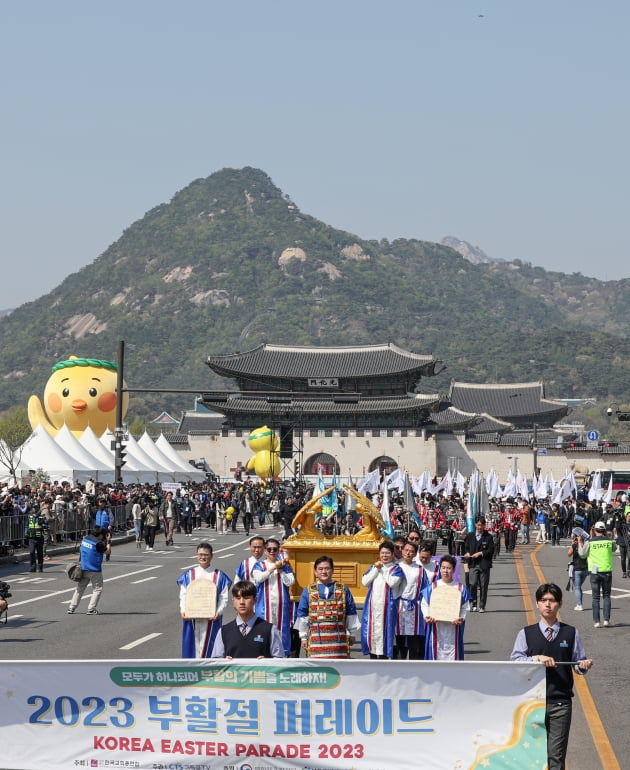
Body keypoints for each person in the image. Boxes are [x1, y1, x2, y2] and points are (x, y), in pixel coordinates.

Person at [510, 583, 592, 770]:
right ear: (537, 604)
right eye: (543, 600)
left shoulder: (570, 633)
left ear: (560, 604)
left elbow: (578, 664)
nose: (548, 604)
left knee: (556, 756)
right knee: (531, 756)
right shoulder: (525, 633)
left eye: (552, 600)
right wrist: (536, 659)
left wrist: (584, 665)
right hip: (530, 703)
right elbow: (515, 661)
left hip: (560, 703)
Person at [294, 555, 360, 658]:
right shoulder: (308, 590)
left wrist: (352, 633)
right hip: (316, 639)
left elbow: (351, 611)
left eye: (327, 568)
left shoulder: (343, 589)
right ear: (315, 572)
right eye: (320, 569)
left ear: (332, 570)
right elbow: (302, 614)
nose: (324, 571)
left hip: (339, 640)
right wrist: (303, 637)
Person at [177, 542, 232, 658]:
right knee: (192, 645)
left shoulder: (219, 576)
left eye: (206, 555)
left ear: (211, 556)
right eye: (200, 554)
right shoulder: (189, 575)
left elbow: (223, 597)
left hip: (211, 618)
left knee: (211, 645)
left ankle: (209, 670)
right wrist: (183, 610)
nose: (203, 557)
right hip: (192, 617)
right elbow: (183, 595)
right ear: (197, 555)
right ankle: (192, 672)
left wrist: (219, 612)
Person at [211, 580, 285, 659]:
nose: (242, 602)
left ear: (255, 600)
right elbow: (215, 664)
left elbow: (280, 661)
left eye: (246, 598)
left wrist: (267, 662)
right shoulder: (223, 631)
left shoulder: (269, 629)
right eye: (238, 598)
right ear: (233, 601)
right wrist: (223, 662)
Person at [421, 554, 472, 660]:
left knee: (453, 654)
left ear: (453, 570)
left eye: (448, 568)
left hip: (453, 627)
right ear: (440, 569)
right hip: (435, 626)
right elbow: (424, 604)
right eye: (443, 568)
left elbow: (465, 607)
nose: (445, 571)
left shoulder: (460, 588)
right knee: (435, 652)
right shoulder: (432, 587)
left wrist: (461, 618)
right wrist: (427, 616)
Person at [361, 541, 406, 659]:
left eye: (387, 553)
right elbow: (365, 582)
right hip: (373, 606)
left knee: (385, 633)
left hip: (388, 607)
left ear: (392, 555)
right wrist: (376, 569)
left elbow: (392, 583)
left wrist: (382, 570)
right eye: (382, 553)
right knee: (372, 633)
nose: (384, 556)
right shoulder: (374, 567)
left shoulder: (396, 569)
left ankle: (384, 658)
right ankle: (372, 656)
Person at [251, 538, 296, 656]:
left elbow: (290, 582)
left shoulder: (285, 566)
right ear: (265, 551)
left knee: (282, 629)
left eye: (274, 549)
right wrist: (272, 569)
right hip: (264, 605)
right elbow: (259, 578)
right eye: (269, 549)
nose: (272, 551)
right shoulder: (259, 565)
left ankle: (283, 654)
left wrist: (281, 571)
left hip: (281, 604)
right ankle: (263, 653)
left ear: (278, 551)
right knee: (264, 630)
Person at [578, 520, 617, 627]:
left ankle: (596, 621)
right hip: (607, 571)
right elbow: (614, 548)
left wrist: (580, 542)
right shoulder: (609, 541)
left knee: (595, 597)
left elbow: (582, 554)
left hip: (595, 572)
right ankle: (606, 620)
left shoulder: (590, 542)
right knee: (606, 596)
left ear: (594, 530)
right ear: (604, 530)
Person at [395, 540, 429, 659]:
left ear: (415, 554)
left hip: (415, 607)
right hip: (398, 607)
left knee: (414, 642)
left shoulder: (420, 569)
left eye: (412, 551)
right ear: (402, 551)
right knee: (399, 641)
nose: (408, 553)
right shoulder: (396, 566)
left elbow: (425, 589)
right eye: (406, 550)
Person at [67, 526, 110, 615]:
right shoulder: (98, 543)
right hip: (94, 569)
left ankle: (71, 607)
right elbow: (107, 552)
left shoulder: (85, 539)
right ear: (101, 535)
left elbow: (81, 551)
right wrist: (109, 541)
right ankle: (91, 608)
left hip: (83, 567)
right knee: (97, 589)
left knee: (80, 588)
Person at [463, 517, 494, 612]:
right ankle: (474, 603)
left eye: (482, 525)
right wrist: (467, 553)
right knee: (472, 584)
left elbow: (491, 550)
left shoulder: (488, 537)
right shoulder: (470, 536)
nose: (480, 527)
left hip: (484, 565)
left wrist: (480, 553)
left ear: (484, 526)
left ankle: (482, 605)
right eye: (478, 525)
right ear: (475, 525)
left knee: (483, 586)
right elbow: (466, 548)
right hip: (473, 564)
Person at [567, 531, 588, 611]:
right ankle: (579, 603)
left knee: (577, 587)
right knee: (579, 587)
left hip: (577, 569)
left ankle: (579, 605)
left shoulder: (574, 545)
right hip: (585, 569)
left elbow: (569, 554)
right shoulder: (586, 545)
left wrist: (572, 545)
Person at [26, 503, 48, 572]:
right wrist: (25, 533)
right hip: (31, 537)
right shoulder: (30, 517)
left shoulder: (42, 517)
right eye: (34, 507)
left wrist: (43, 524)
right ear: (33, 508)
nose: (35, 509)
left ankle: (40, 567)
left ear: (39, 508)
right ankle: (32, 567)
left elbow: (46, 526)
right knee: (31, 552)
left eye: (37, 507)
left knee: (40, 553)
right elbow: (26, 526)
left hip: (39, 537)